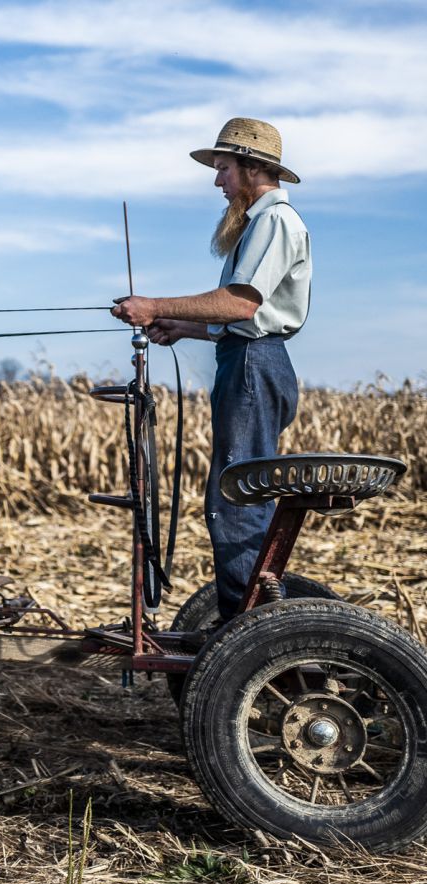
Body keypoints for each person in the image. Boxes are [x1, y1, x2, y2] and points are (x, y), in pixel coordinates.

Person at [111, 117, 311, 623]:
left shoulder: (273, 222)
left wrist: (153, 303)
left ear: (252, 169)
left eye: (223, 168)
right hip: (251, 359)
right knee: (238, 489)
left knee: (237, 497)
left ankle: (247, 628)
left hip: (252, 366)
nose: (217, 180)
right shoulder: (260, 224)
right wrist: (180, 325)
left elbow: (241, 305)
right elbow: (245, 319)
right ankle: (246, 618)